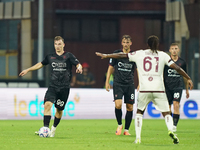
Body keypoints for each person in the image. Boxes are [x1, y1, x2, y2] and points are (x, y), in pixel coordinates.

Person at [95, 35, 193, 144]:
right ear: (157, 44)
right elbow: (177, 68)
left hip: (145, 89)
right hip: (159, 90)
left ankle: (138, 138)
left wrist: (107, 55)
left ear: (147, 44)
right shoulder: (163, 55)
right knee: (166, 113)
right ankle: (171, 130)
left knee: (139, 113)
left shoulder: (140, 53)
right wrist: (188, 78)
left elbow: (122, 55)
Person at [19, 36, 82, 137]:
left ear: (63, 45)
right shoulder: (50, 57)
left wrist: (79, 68)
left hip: (64, 88)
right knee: (47, 105)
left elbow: (78, 64)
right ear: (54, 45)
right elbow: (41, 64)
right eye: (56, 44)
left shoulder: (69, 56)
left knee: (59, 110)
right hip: (53, 86)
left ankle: (53, 129)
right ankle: (45, 129)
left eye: (59, 44)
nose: (57, 46)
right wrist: (28, 70)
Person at [105, 35, 136, 135]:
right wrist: (107, 81)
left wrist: (140, 83)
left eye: (128, 42)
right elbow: (110, 68)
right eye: (124, 42)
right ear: (121, 43)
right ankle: (119, 125)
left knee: (130, 107)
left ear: (131, 43)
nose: (126, 44)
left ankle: (126, 130)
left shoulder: (134, 55)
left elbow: (138, 69)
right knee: (118, 105)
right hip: (118, 83)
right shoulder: (116, 54)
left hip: (130, 84)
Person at [164, 43, 189, 132]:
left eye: (176, 48)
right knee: (168, 108)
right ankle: (170, 123)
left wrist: (186, 89)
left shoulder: (182, 62)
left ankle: (174, 125)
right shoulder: (166, 61)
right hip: (167, 87)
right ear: (170, 50)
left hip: (178, 86)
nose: (174, 50)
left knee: (176, 104)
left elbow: (185, 76)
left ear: (178, 50)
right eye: (172, 49)